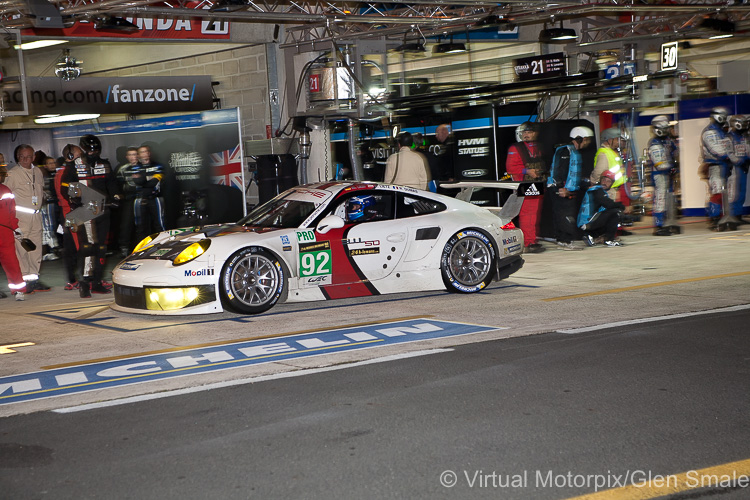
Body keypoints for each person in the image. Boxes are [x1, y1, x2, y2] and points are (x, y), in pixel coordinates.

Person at [71, 134, 120, 298]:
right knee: (88, 247)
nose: (93, 152)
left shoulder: (104, 164)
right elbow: (68, 186)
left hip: (103, 210)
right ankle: (85, 281)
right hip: (85, 212)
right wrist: (75, 200)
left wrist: (116, 197)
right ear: (83, 149)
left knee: (101, 247)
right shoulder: (75, 165)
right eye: (90, 149)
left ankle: (97, 281)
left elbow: (112, 183)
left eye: (96, 149)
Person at [4, 144, 50, 292]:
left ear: (33, 157)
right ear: (18, 157)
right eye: (22, 156)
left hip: (36, 216)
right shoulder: (13, 174)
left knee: (35, 249)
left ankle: (34, 279)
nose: (25, 159)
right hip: (21, 217)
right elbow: (5, 196)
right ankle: (24, 280)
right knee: (21, 250)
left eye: (28, 156)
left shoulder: (38, 171)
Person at [547, 126, 593, 251]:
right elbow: (560, 170)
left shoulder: (573, 151)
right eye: (586, 139)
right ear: (579, 138)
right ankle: (565, 240)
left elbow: (573, 172)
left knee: (565, 213)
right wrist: (562, 187)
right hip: (560, 188)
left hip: (567, 188)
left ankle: (563, 240)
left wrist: (586, 182)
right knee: (564, 214)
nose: (587, 142)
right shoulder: (565, 151)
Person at [505, 121, 546, 253]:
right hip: (523, 184)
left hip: (537, 183)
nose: (526, 135)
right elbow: (510, 168)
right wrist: (526, 171)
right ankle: (528, 242)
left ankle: (532, 240)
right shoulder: (515, 148)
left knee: (534, 214)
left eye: (529, 132)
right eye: (524, 132)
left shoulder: (539, 147)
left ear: (535, 133)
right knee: (527, 214)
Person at [700, 106, 738, 231]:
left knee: (727, 193)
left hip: (725, 165)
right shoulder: (709, 132)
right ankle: (714, 219)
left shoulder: (722, 132)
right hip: (715, 165)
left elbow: (729, 148)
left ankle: (725, 216)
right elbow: (715, 149)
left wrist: (733, 160)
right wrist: (727, 157)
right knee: (717, 192)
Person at [56, 144, 84, 290]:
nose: (82, 157)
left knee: (71, 248)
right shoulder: (66, 172)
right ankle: (79, 279)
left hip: (68, 213)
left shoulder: (63, 171)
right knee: (78, 248)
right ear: (71, 156)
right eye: (79, 154)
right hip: (71, 214)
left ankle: (73, 279)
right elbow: (66, 194)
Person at [647, 115, 679, 236]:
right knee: (660, 199)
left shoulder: (667, 141)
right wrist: (671, 167)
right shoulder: (654, 142)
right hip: (659, 174)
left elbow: (676, 152)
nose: (667, 131)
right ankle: (659, 226)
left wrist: (675, 165)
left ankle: (667, 223)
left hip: (668, 173)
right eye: (665, 128)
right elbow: (659, 163)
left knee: (668, 199)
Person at [0, 164, 28, 300]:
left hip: (5, 232)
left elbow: (11, 211)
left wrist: (15, 227)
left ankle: (19, 290)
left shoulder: (5, 190)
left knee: (11, 261)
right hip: (4, 230)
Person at [578, 170, 625, 247]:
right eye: (604, 180)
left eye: (608, 181)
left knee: (611, 213)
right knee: (616, 213)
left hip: (588, 220)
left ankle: (594, 236)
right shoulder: (597, 189)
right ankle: (608, 239)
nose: (605, 183)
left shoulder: (597, 189)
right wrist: (621, 206)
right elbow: (607, 204)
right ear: (600, 180)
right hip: (588, 221)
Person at [133, 145, 166, 242]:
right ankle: (142, 249)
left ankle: (162, 244)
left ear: (149, 153)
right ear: (138, 155)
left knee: (159, 224)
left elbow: (153, 182)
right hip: (140, 199)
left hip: (155, 198)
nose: (145, 154)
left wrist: (143, 178)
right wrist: (148, 177)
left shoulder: (158, 166)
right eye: (142, 152)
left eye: (146, 151)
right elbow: (138, 181)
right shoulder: (136, 167)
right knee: (140, 226)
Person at [115, 147, 140, 255]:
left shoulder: (145, 167)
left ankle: (142, 246)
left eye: (134, 154)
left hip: (142, 198)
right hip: (128, 199)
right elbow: (117, 184)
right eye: (130, 155)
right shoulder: (122, 169)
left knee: (142, 224)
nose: (132, 157)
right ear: (126, 157)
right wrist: (120, 195)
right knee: (126, 223)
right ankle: (124, 247)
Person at [727, 115, 749, 225]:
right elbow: (728, 153)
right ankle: (732, 215)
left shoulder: (743, 137)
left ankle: (738, 215)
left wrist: (747, 160)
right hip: (734, 168)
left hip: (743, 167)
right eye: (743, 124)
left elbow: (747, 150)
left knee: (742, 192)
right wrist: (739, 161)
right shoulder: (729, 137)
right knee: (733, 193)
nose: (746, 126)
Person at [41, 155, 61, 259]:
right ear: (45, 165)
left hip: (60, 204)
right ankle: (52, 248)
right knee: (50, 226)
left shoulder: (60, 174)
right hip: (49, 204)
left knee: (60, 226)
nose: (52, 165)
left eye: (53, 162)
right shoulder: (43, 176)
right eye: (49, 163)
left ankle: (59, 247)